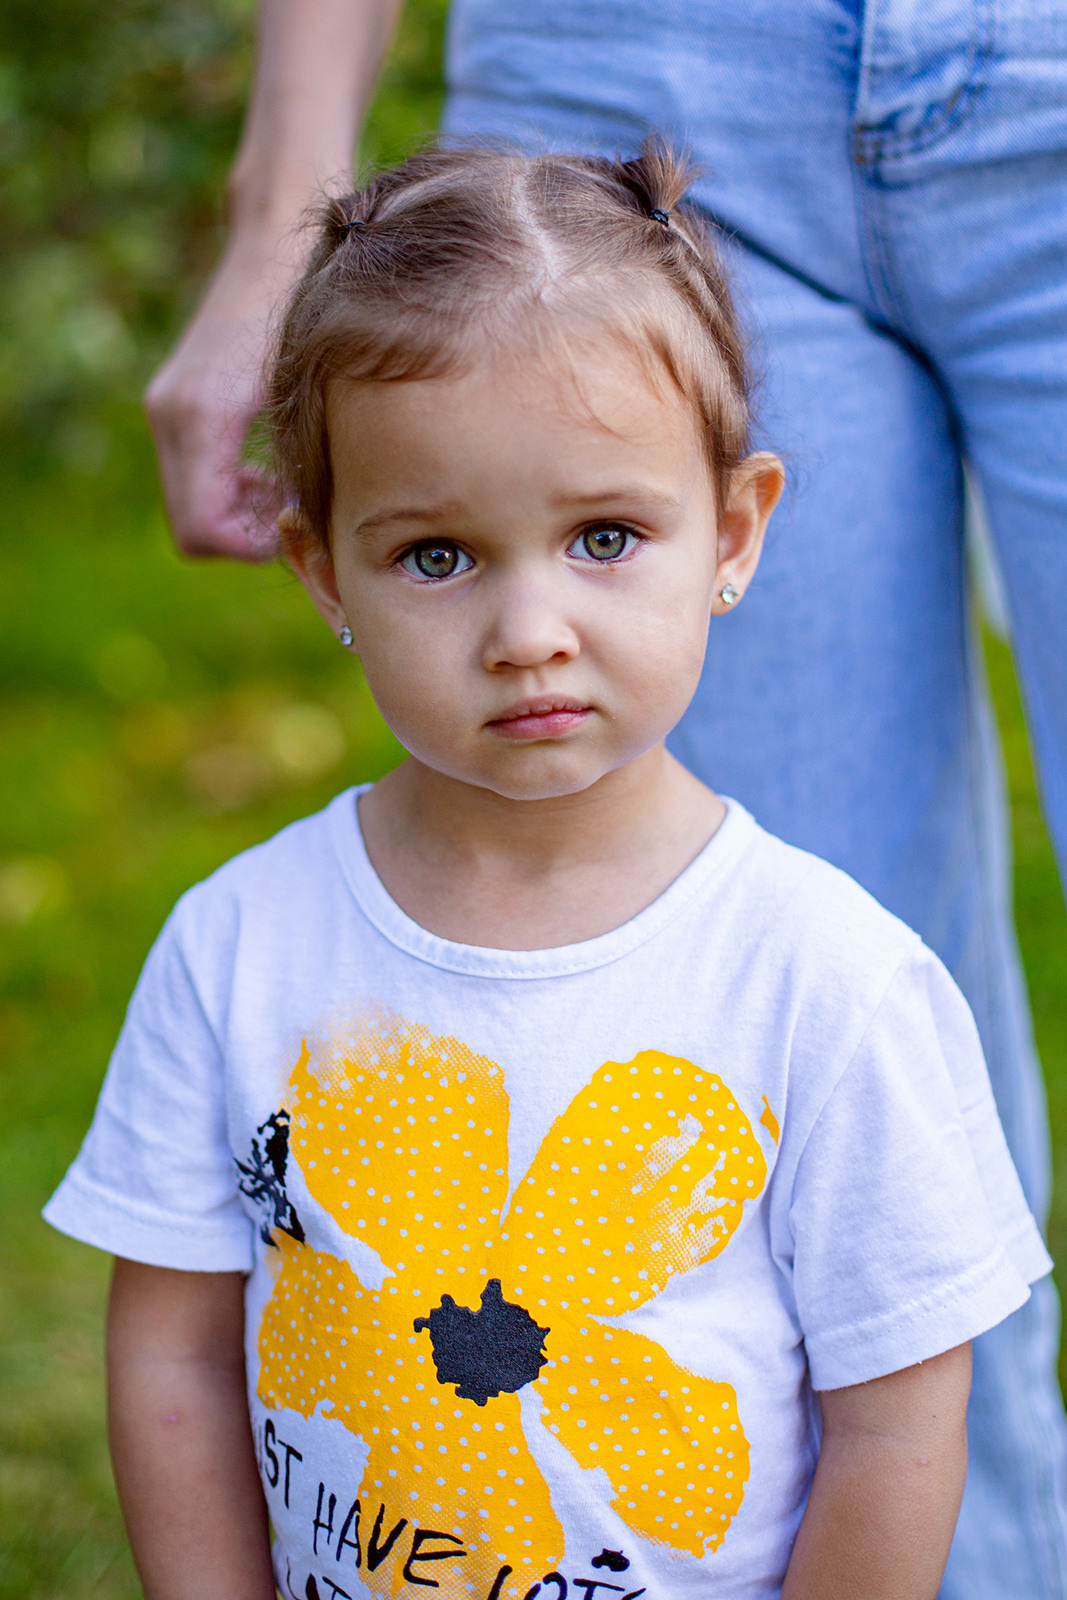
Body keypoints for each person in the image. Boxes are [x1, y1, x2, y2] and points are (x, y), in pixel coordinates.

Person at [145, 6, 1067, 1595]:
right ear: (326, 568)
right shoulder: (236, 944)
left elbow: (904, 1394)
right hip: (642, 43)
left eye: (605, 541)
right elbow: (170, 1345)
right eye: (438, 555)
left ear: (734, 532)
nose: (529, 635)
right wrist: (275, 201)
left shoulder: (831, 977)